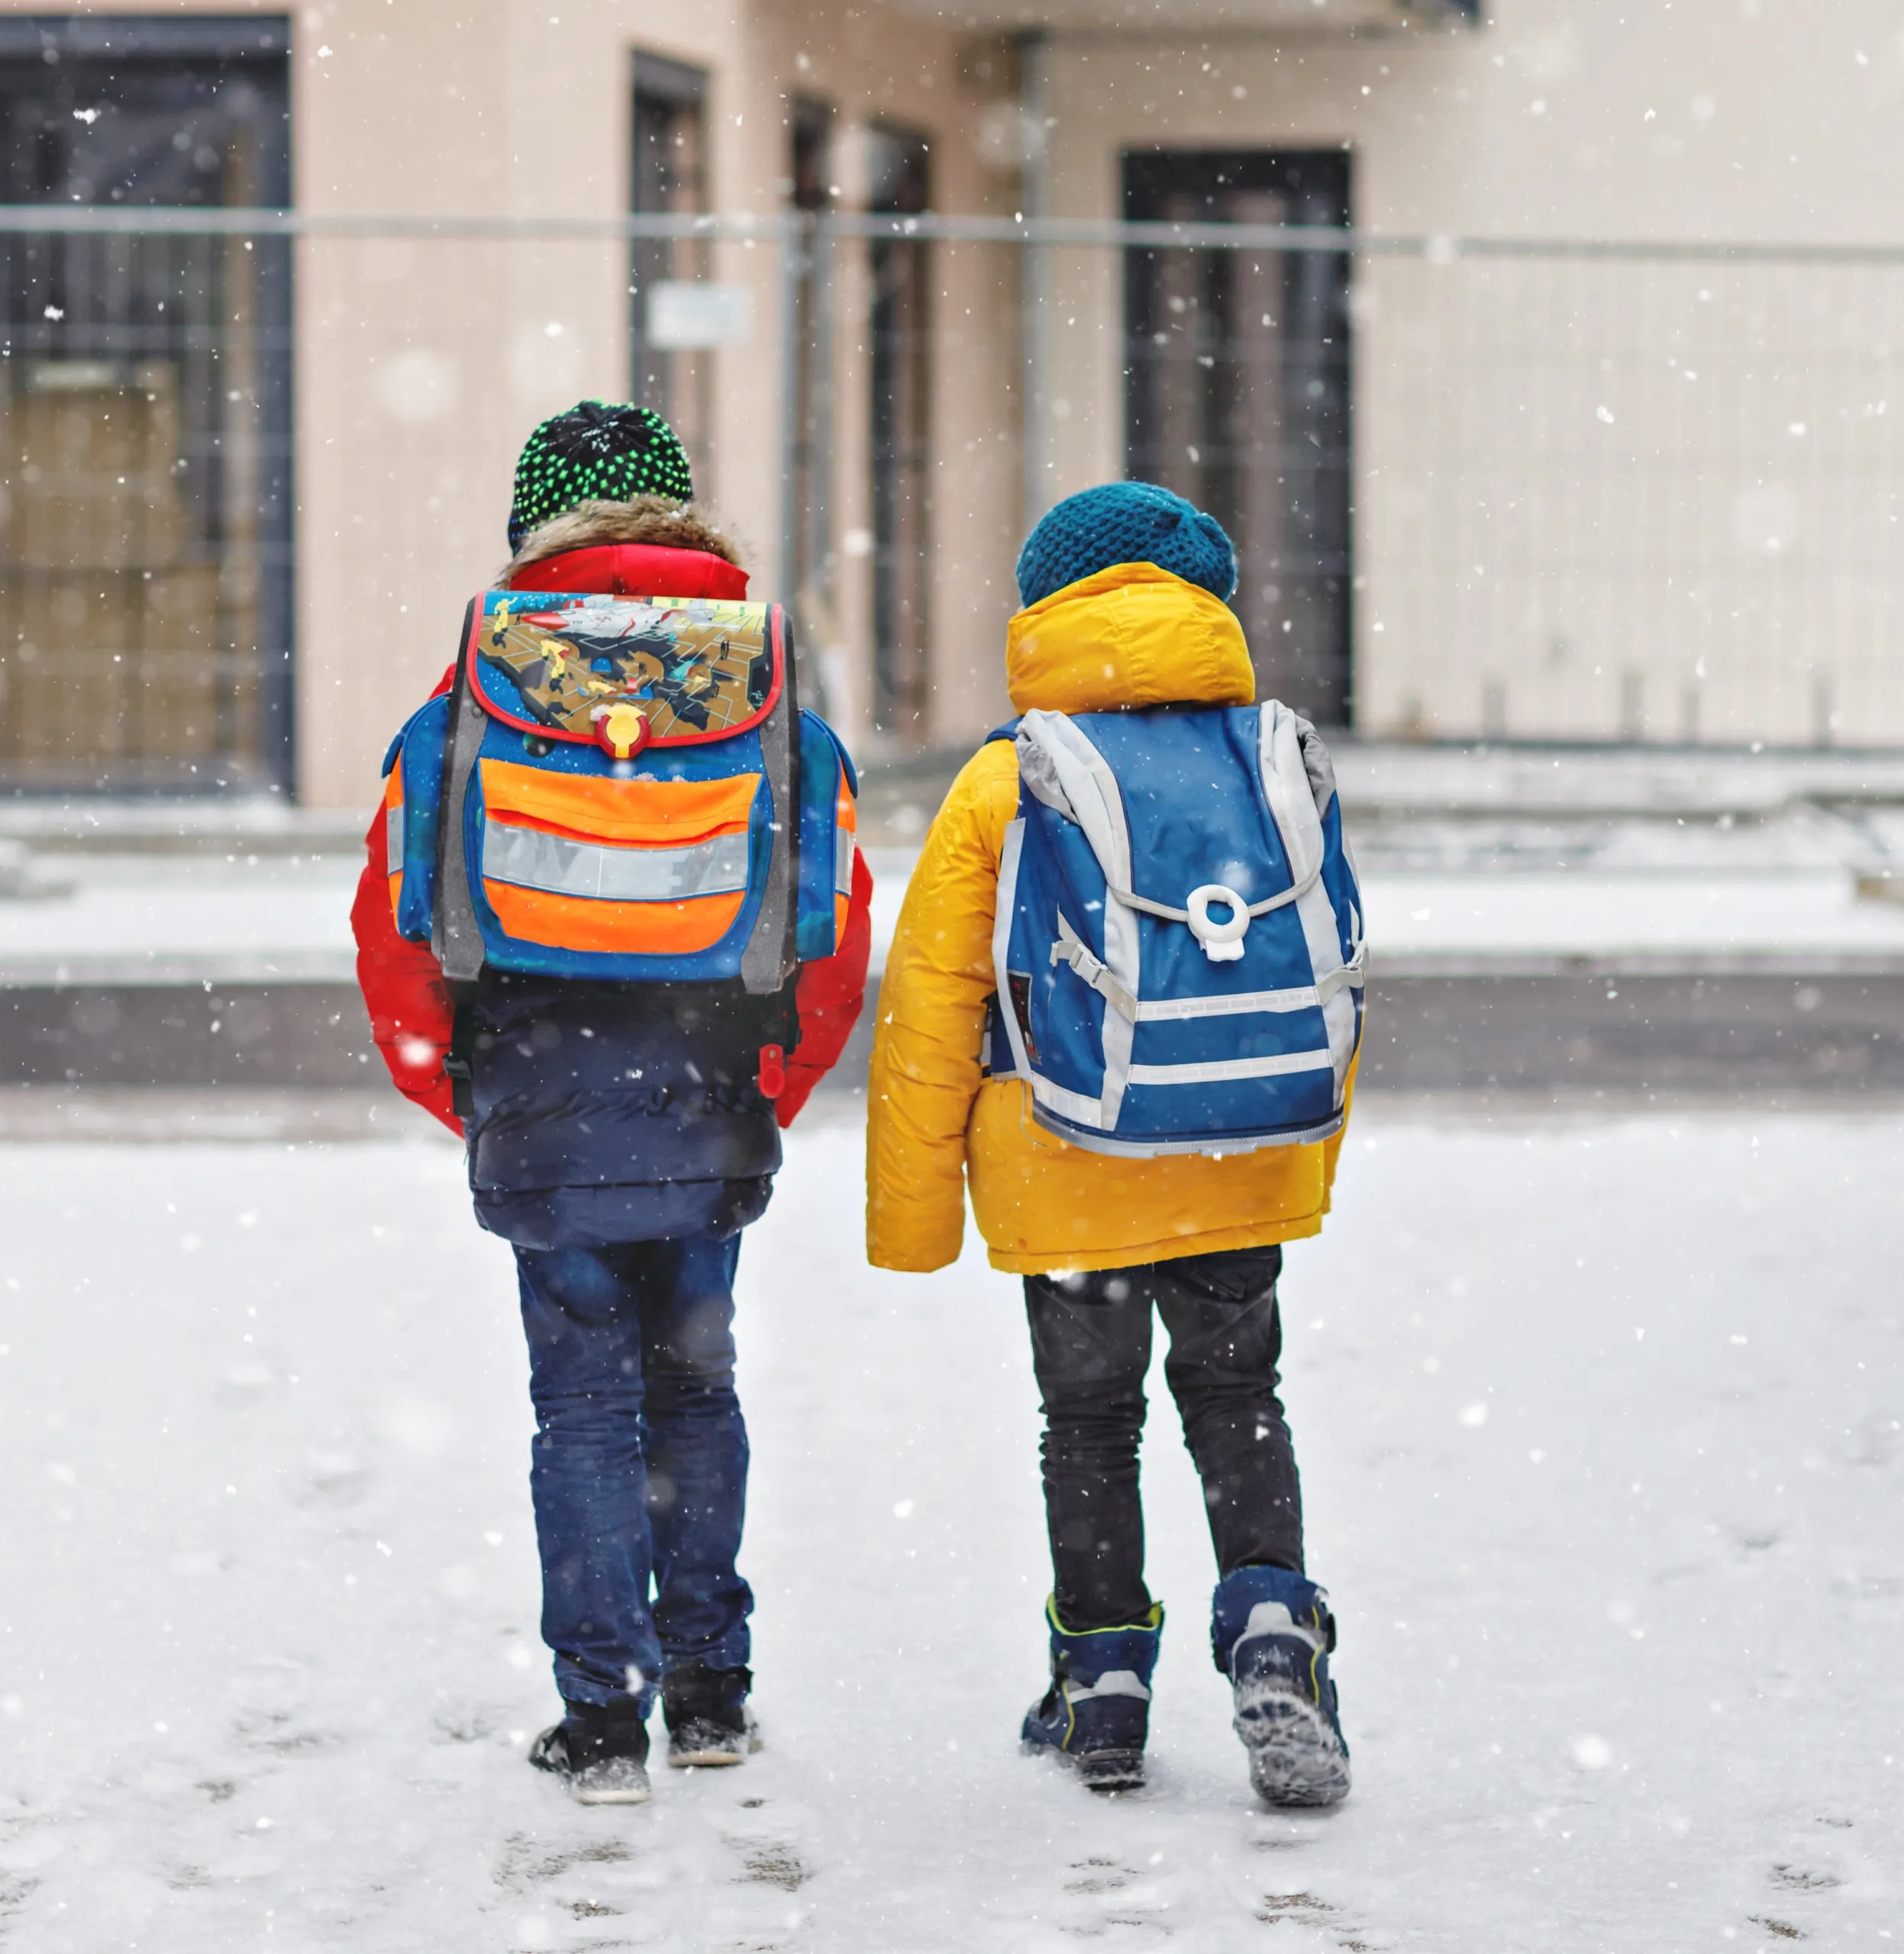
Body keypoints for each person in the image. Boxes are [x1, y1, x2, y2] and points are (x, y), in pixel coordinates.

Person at [353, 401, 873, 1805]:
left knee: (579, 1405)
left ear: (536, 525)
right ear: (681, 515)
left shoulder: (472, 697)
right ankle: (710, 1691)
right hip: (710, 1091)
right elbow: (832, 926)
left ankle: (603, 1720)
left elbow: (395, 931)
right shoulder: (763, 692)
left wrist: (462, 1090)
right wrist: (778, 1077)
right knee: (695, 1386)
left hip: (537, 1090)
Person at [865, 482, 1357, 1807]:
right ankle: (1273, 1636)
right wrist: (1306, 1149)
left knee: (1087, 1422)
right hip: (1239, 1149)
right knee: (1238, 1400)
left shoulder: (1010, 772)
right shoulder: (1272, 757)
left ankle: (1102, 1685)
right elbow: (1329, 974)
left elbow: (928, 1007)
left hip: (1065, 1156)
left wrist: (915, 1216)